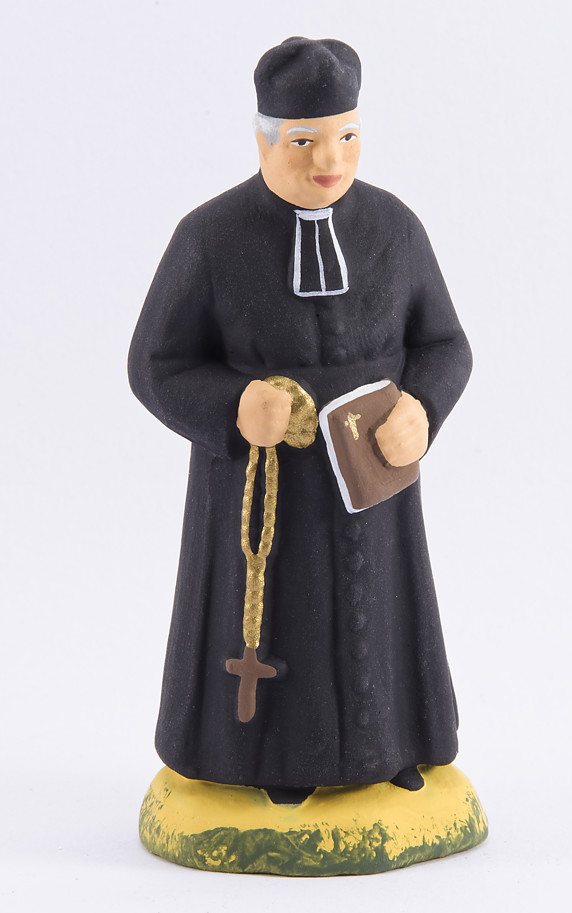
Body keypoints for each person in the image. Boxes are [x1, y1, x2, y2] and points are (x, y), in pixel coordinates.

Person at [129, 37, 472, 805]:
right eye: (304, 142)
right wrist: (233, 405)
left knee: (382, 604)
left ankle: (393, 746)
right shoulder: (209, 238)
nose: (330, 161)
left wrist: (423, 406)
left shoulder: (395, 228)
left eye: (347, 136)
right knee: (283, 617)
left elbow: (446, 344)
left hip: (376, 489)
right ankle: (268, 762)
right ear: (263, 141)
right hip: (264, 496)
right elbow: (154, 364)